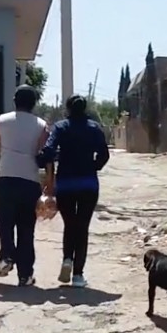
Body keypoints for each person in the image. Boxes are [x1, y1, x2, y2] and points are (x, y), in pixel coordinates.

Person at [0, 85, 48, 287]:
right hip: (30, 182)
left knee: (4, 223)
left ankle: (6, 257)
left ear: (15, 101)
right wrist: (51, 182)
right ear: (34, 103)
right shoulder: (42, 125)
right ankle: (25, 275)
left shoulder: (2, 121)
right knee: (26, 229)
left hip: (6, 180)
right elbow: (47, 156)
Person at [37, 94, 110, 288]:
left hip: (66, 183)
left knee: (70, 224)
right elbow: (104, 154)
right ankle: (78, 275)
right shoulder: (94, 128)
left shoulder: (61, 127)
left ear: (68, 109)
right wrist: (94, 166)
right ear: (85, 108)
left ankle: (67, 259)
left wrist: (45, 163)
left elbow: (49, 149)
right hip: (88, 183)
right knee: (82, 227)